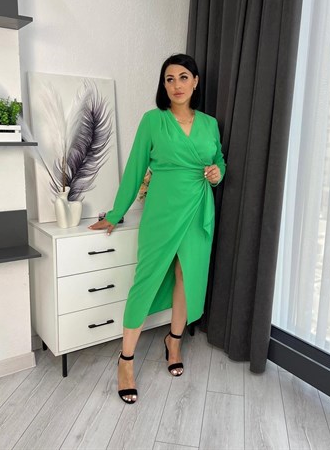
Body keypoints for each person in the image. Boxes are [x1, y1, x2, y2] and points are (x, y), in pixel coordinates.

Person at [88, 53, 226, 404]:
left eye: (183, 77)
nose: (176, 85)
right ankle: (126, 360)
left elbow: (218, 161)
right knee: (145, 281)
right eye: (169, 79)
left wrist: (217, 173)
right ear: (163, 85)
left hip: (198, 210)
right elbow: (136, 169)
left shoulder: (210, 124)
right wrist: (115, 213)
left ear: (195, 81)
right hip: (162, 212)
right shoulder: (153, 120)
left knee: (186, 277)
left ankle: (173, 342)